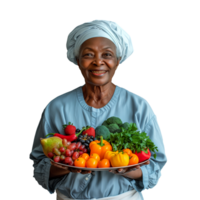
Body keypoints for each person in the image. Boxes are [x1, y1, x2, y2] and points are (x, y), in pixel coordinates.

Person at [27, 19, 169, 200]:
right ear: (77, 61)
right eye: (88, 55)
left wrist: (130, 171)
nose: (98, 62)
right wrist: (61, 166)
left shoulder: (140, 106)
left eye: (107, 54)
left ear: (118, 61)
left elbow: (157, 164)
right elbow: (37, 163)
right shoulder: (56, 106)